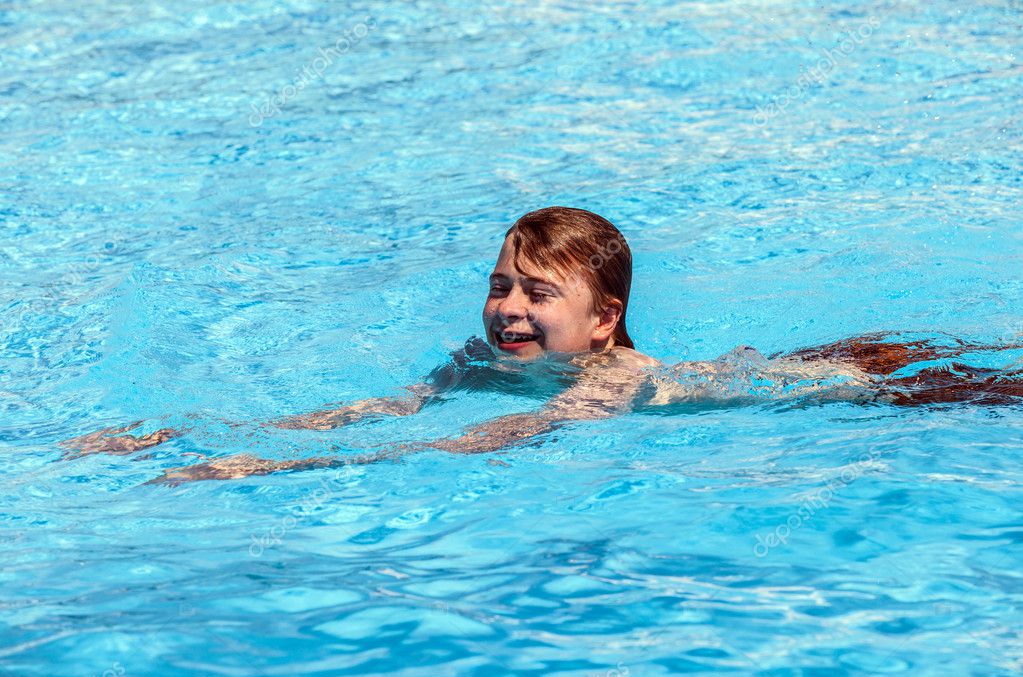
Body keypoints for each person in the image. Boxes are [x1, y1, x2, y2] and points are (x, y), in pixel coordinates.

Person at [60, 207, 1023, 484]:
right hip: (776, 368)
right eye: (498, 286)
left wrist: (274, 470)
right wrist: (179, 433)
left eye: (537, 293)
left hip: (819, 393)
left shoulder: (607, 380)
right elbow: (381, 409)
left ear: (603, 321)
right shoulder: (473, 362)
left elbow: (503, 442)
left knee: (957, 382)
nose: (507, 308)